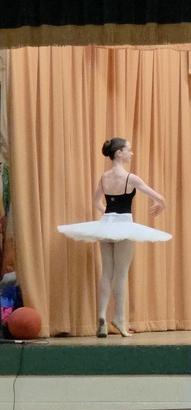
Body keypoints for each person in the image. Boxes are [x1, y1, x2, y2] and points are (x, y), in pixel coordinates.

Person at [58, 137, 170, 338]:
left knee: (107, 272)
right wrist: (160, 206)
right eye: (129, 150)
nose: (132, 153)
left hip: (106, 225)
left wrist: (107, 217)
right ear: (119, 153)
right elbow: (159, 197)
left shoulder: (104, 177)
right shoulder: (131, 178)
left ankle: (101, 316)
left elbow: (96, 202)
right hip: (124, 225)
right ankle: (119, 318)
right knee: (121, 272)